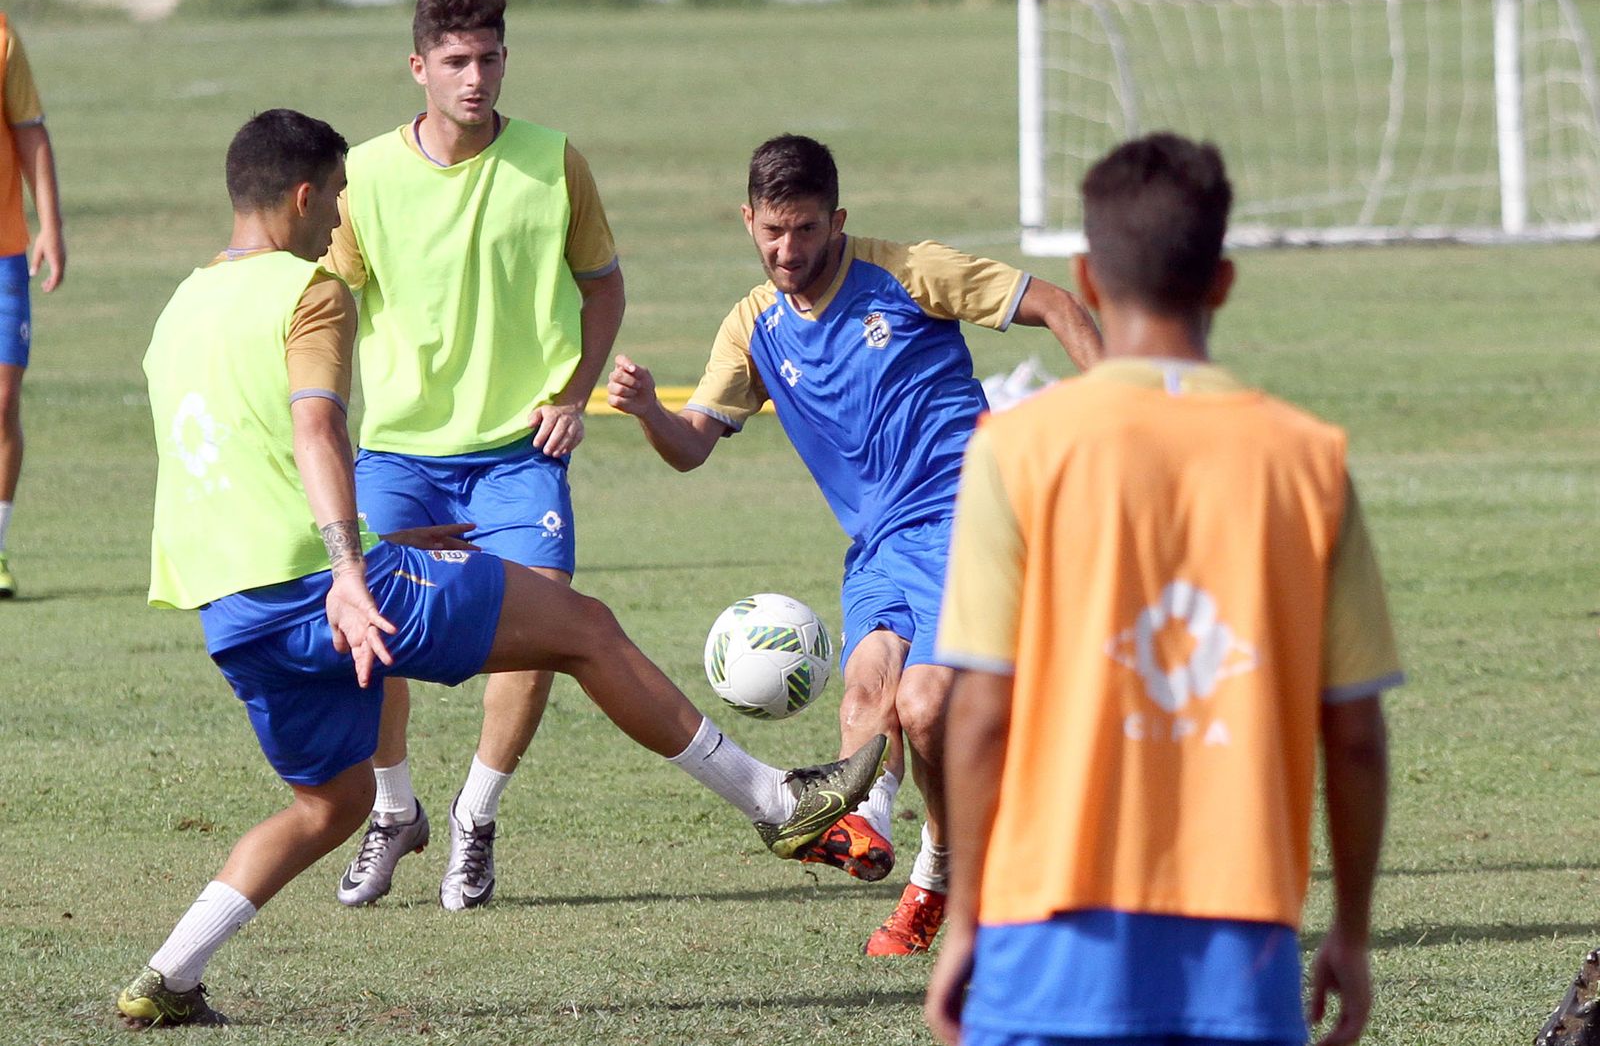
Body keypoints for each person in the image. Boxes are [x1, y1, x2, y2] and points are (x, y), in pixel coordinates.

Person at [114, 108, 886, 1029]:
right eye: (336, 201)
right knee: (584, 630)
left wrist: (380, 546)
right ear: (304, 194)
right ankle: (775, 802)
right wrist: (353, 569)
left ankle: (167, 975)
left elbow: (240, 467)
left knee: (334, 803)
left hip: (230, 607)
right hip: (322, 586)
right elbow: (317, 429)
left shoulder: (177, 308)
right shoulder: (309, 291)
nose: (340, 222)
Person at [923, 132, 1400, 1046]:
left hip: (1043, 936)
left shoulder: (1018, 451)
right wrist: (1350, 930)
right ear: (1221, 280)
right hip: (1239, 945)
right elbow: (1355, 733)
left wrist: (967, 920)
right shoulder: (1307, 461)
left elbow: (981, 712)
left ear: (1086, 277)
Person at [606, 133, 1102, 956]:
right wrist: (651, 411)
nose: (786, 249)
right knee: (868, 685)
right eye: (771, 231)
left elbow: (1058, 304)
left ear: (837, 221)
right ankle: (864, 828)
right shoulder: (753, 325)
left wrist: (1119, 405)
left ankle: (940, 876)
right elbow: (693, 445)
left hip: (971, 519)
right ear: (747, 221)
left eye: (804, 230)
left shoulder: (908, 273)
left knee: (926, 703)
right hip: (877, 546)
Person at [319, 0, 627, 912]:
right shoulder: (363, 176)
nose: (475, 76)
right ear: (419, 67)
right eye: (455, 60)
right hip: (402, 453)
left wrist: (574, 394)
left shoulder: (554, 161)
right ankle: (395, 808)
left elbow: (604, 288)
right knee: (363, 623)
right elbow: (326, 308)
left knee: (543, 631)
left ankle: (475, 819)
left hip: (515, 454)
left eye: (490, 57)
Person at [0, 11, 65, 599]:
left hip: (3, 254)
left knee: (2, 400)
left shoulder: (1, 36)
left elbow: (30, 132)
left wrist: (49, 224)